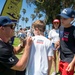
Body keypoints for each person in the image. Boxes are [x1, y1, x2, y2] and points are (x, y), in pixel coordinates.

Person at [55, 7, 75, 75]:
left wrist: (72, 63)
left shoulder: (73, 30)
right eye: (61, 18)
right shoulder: (61, 28)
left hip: (70, 59)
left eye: (65, 18)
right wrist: (58, 42)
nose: (62, 20)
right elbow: (61, 38)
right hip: (61, 58)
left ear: (72, 19)